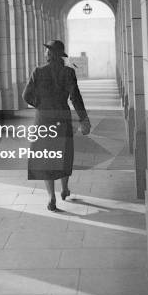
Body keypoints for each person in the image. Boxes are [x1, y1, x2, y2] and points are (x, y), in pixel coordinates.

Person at [22, 40, 91, 211]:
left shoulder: (38, 72)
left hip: (43, 119)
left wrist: (40, 104)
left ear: (50, 54)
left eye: (47, 50)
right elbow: (75, 98)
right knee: (64, 154)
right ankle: (65, 189)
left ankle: (51, 196)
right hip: (62, 117)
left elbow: (26, 95)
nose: (45, 53)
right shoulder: (68, 72)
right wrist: (84, 118)